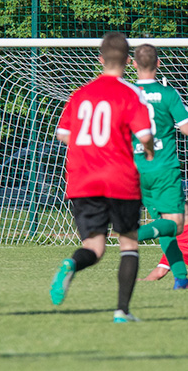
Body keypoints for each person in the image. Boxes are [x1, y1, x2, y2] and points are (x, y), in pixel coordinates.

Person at [50, 31, 155, 323]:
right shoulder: (131, 93)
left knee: (94, 248)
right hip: (119, 179)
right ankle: (122, 311)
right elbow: (145, 134)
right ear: (129, 61)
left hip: (83, 180)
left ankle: (72, 263)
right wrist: (146, 151)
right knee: (128, 244)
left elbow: (63, 134)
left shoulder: (81, 94)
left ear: (100, 59)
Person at [131, 44, 188, 290]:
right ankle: (131, 236)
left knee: (164, 225)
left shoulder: (127, 93)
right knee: (177, 224)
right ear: (158, 63)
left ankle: (181, 278)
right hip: (164, 168)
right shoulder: (168, 94)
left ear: (134, 64)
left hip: (137, 170)